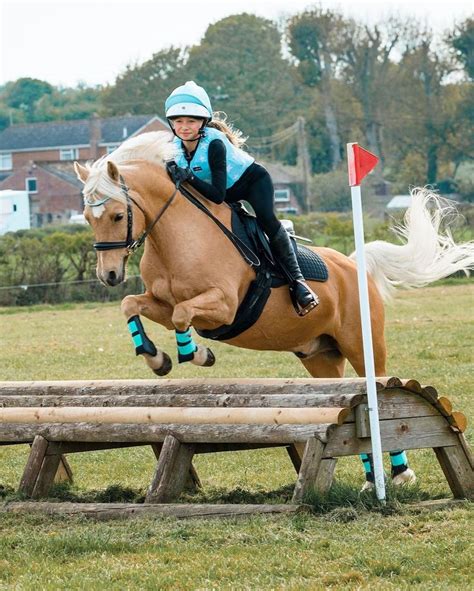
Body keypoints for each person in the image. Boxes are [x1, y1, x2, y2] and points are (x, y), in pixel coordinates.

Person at [165, 81, 318, 316]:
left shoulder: (214, 144)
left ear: (203, 122)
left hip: (252, 183)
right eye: (178, 121)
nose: (184, 127)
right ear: (171, 123)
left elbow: (217, 196)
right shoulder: (172, 149)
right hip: (223, 190)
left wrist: (188, 178)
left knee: (266, 220)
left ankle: (299, 283)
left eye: (191, 121)